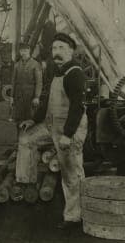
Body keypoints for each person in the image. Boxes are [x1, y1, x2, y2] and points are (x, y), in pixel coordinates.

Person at [16, 33, 87, 229]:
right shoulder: (58, 71)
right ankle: (27, 184)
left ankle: (74, 217)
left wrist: (68, 135)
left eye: (61, 48)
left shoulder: (75, 73)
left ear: (71, 51)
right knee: (26, 139)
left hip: (69, 129)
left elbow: (78, 107)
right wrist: (34, 119)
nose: (57, 52)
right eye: (54, 48)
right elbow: (47, 100)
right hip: (51, 125)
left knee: (71, 173)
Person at [11, 42, 42, 128]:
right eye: (21, 51)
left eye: (25, 50)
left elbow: (39, 82)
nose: (23, 53)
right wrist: (12, 97)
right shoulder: (17, 65)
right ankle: (19, 136)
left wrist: (37, 97)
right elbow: (13, 81)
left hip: (30, 96)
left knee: (29, 119)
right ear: (20, 52)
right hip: (18, 96)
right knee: (18, 119)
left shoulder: (35, 64)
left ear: (29, 51)